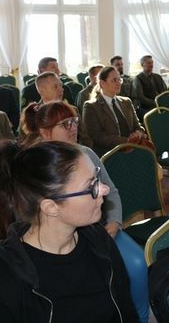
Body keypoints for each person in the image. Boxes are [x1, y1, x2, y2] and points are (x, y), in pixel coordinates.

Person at [20, 100, 149, 322]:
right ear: (45, 132)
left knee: (136, 264)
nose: (73, 128)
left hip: (100, 227)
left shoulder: (86, 153)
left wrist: (115, 223)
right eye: (65, 124)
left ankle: (144, 313)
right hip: (73, 232)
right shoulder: (35, 168)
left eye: (74, 121)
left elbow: (112, 192)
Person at [0, 140, 139, 322]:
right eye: (91, 186)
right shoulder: (8, 275)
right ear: (51, 207)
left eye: (97, 177)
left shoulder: (99, 242)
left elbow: (127, 314)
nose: (104, 189)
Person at [83, 66, 146, 157]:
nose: (118, 83)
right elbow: (98, 137)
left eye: (119, 80)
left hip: (132, 149)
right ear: (102, 83)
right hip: (109, 154)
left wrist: (139, 133)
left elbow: (138, 126)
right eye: (114, 80)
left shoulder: (126, 102)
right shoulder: (91, 106)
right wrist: (127, 140)